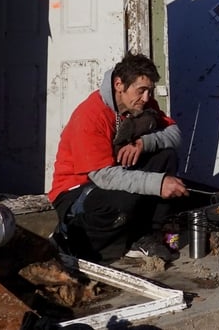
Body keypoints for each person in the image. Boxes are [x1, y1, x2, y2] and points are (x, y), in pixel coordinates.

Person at [48, 52, 188, 263]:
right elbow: (104, 177)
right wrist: (158, 183)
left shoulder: (143, 105)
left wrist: (144, 143)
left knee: (166, 156)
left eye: (149, 91)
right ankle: (68, 238)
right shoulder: (89, 115)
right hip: (77, 190)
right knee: (124, 199)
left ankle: (146, 235)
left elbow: (175, 134)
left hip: (113, 176)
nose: (147, 98)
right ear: (119, 84)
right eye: (141, 91)